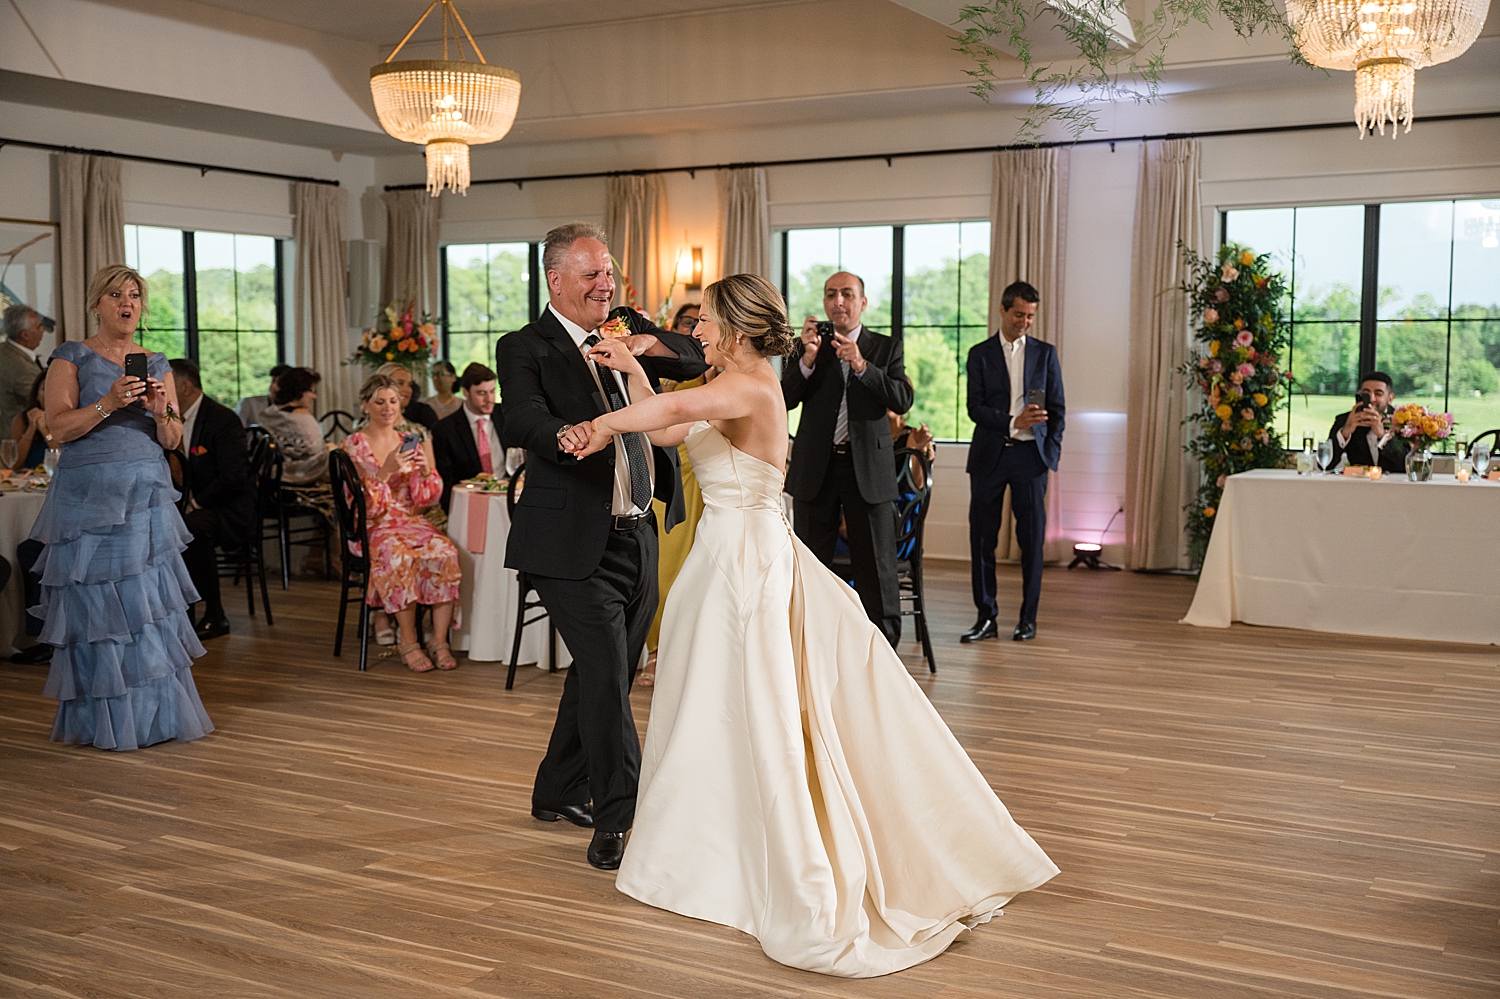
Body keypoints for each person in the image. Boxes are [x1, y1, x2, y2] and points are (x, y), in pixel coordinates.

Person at [567, 273, 1058, 978]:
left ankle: (765, 858)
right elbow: (673, 426)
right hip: (722, 561)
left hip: (746, 565)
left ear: (735, 327)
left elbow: (672, 411)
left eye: (705, 322)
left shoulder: (754, 384)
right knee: (712, 705)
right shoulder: (723, 380)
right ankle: (704, 844)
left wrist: (603, 421)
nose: (696, 331)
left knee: (754, 709)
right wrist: (633, 375)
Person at [496, 221, 707, 871]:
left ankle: (557, 789)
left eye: (609, 272)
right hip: (568, 543)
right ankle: (621, 818)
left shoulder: (622, 327)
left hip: (637, 532)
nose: (605, 284)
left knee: (599, 673)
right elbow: (523, 415)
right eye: (591, 274)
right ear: (555, 280)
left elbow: (697, 359)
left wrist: (644, 341)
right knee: (612, 681)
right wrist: (568, 434)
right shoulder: (523, 346)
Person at [30, 264, 212, 750]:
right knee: (94, 607)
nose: (127, 303)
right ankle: (100, 721)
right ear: (97, 304)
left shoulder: (156, 363)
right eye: (116, 295)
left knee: (145, 605)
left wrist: (160, 413)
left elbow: (174, 436)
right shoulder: (70, 357)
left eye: (134, 295)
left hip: (144, 495)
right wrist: (109, 402)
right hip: (88, 494)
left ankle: (153, 718)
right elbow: (59, 429)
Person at [782, 271, 912, 646]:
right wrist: (805, 358)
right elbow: (783, 400)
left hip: (867, 471)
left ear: (862, 302)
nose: (838, 301)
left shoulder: (886, 348)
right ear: (824, 303)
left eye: (847, 294)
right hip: (816, 469)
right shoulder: (806, 347)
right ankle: (813, 648)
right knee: (811, 565)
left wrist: (862, 366)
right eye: (831, 294)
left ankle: (884, 654)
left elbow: (902, 399)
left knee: (877, 568)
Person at [962, 281, 1065, 644]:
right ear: (1003, 311)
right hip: (990, 455)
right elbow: (973, 408)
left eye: (1031, 316)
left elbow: (1058, 409)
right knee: (982, 541)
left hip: (1030, 459)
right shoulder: (980, 354)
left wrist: (1049, 451)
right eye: (1019, 314)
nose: (1025, 322)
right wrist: (1011, 422)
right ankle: (986, 618)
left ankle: (1028, 619)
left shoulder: (1046, 354)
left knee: (1032, 541)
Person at [342, 373, 462, 672]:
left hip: (410, 521)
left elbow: (426, 500)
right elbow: (358, 505)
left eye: (393, 401)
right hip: (373, 525)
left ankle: (439, 640)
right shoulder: (353, 445)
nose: (388, 407)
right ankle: (408, 641)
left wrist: (423, 472)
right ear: (365, 405)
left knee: (445, 550)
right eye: (380, 401)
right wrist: (385, 471)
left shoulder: (408, 441)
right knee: (399, 557)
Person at [171, 358, 256, 641]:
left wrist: (195, 503)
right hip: (187, 504)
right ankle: (174, 612)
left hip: (227, 507)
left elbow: (233, 478)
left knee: (192, 529)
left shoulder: (222, 420)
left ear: (186, 386)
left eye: (167, 386)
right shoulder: (167, 419)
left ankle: (214, 612)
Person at [257, 366, 338, 545]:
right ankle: (334, 555)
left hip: (269, 484)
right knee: (346, 493)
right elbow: (317, 457)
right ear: (299, 391)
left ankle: (314, 556)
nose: (314, 396)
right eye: (311, 391)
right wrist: (332, 450)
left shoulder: (268, 414)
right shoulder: (302, 419)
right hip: (295, 488)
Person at [432, 362, 503, 512]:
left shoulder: (507, 416)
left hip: (509, 496)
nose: (490, 399)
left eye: (492, 391)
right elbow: (446, 480)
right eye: (481, 393)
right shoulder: (445, 429)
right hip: (469, 503)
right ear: (465, 392)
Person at [1328, 371, 1409, 474]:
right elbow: (1327, 464)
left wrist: (1383, 436)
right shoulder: (1346, 420)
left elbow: (1408, 466)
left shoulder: (1404, 422)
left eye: (1378, 394)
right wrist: (1345, 433)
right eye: (1366, 393)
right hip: (1358, 486)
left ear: (1390, 398)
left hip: (1397, 487)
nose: (1371, 399)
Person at [1, 304, 46, 436]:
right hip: (20, 440)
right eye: (39, 327)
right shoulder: (21, 369)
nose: (43, 330)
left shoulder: (4, 351)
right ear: (25, 335)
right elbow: (47, 402)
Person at [375, 362, 439, 432]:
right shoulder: (370, 421)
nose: (408, 390)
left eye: (409, 385)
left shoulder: (422, 414)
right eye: (400, 383)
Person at [9, 369, 50, 470]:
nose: (50, 394)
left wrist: (45, 431)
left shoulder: (68, 420)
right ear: (36, 394)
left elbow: (62, 457)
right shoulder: (21, 420)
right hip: (26, 481)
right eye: (45, 388)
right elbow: (13, 465)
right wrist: (31, 428)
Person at [235, 363, 290, 427]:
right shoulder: (248, 403)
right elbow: (236, 430)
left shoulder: (296, 411)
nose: (273, 386)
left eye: (280, 384)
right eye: (273, 381)